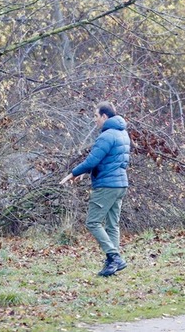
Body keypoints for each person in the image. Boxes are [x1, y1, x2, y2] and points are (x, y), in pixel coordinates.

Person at [60, 101, 131, 277]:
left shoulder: (107, 135)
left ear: (104, 116)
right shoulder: (123, 133)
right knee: (112, 225)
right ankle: (111, 265)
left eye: (96, 116)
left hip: (107, 185)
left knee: (92, 222)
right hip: (120, 184)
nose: (95, 120)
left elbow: (92, 160)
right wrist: (89, 171)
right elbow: (108, 160)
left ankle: (114, 257)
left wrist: (73, 173)